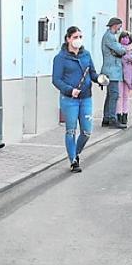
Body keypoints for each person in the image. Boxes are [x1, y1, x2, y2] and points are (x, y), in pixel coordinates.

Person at [51, 26, 103, 173]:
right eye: (75, 37)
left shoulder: (86, 55)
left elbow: (92, 73)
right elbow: (56, 80)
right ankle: (73, 161)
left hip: (86, 98)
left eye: (80, 37)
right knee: (71, 131)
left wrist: (100, 79)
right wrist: (70, 90)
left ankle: (76, 152)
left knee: (86, 131)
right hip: (70, 99)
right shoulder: (60, 58)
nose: (78, 40)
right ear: (68, 39)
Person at [100, 16, 128, 128]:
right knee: (114, 95)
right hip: (112, 70)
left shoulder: (109, 36)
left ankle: (106, 118)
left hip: (112, 70)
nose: (119, 29)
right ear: (115, 25)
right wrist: (122, 50)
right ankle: (112, 118)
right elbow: (120, 50)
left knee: (110, 95)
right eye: (119, 27)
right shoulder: (110, 37)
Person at [116, 30, 132, 127]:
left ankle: (125, 115)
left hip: (129, 74)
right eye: (123, 37)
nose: (125, 39)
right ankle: (118, 115)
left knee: (126, 96)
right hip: (119, 74)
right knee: (119, 96)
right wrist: (127, 58)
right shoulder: (117, 48)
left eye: (127, 37)